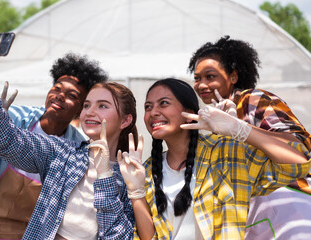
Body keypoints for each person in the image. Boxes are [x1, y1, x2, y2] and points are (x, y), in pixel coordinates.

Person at [0, 27, 138, 239]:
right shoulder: (63, 154)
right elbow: (7, 139)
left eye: (102, 106)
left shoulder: (131, 176)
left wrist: (104, 178)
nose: (91, 111)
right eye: (88, 105)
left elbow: (118, 236)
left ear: (126, 120)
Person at [118, 78, 310, 240]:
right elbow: (149, 237)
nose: (153, 112)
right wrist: (136, 192)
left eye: (164, 103)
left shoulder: (227, 154)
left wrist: (239, 129)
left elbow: (298, 163)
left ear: (189, 112)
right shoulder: (149, 170)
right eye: (148, 107)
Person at [188, 36, 311, 239]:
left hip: (289, 203)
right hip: (255, 214)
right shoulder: (216, 119)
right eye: (197, 78)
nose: (201, 84)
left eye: (210, 76)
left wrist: (242, 129)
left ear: (233, 77)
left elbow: (298, 148)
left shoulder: (251, 100)